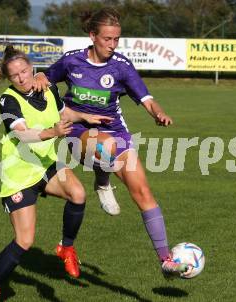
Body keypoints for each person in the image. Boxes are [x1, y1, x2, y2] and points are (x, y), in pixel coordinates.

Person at [35, 7, 189, 277]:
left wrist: (159, 113)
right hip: (75, 129)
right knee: (104, 147)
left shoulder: (121, 66)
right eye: (107, 39)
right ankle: (103, 181)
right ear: (93, 36)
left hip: (115, 132)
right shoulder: (72, 61)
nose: (112, 44)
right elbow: (46, 77)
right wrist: (40, 77)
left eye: (116, 39)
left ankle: (165, 260)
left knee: (143, 192)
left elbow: (146, 99)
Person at [0, 46, 113, 301]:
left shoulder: (48, 88)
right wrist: (53, 132)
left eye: (24, 71)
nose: (21, 77)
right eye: (15, 75)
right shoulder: (8, 100)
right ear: (9, 78)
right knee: (25, 241)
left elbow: (65, 114)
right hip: (19, 172)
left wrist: (86, 117)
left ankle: (66, 247)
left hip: (45, 163)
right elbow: (22, 133)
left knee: (78, 194)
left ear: (32, 68)